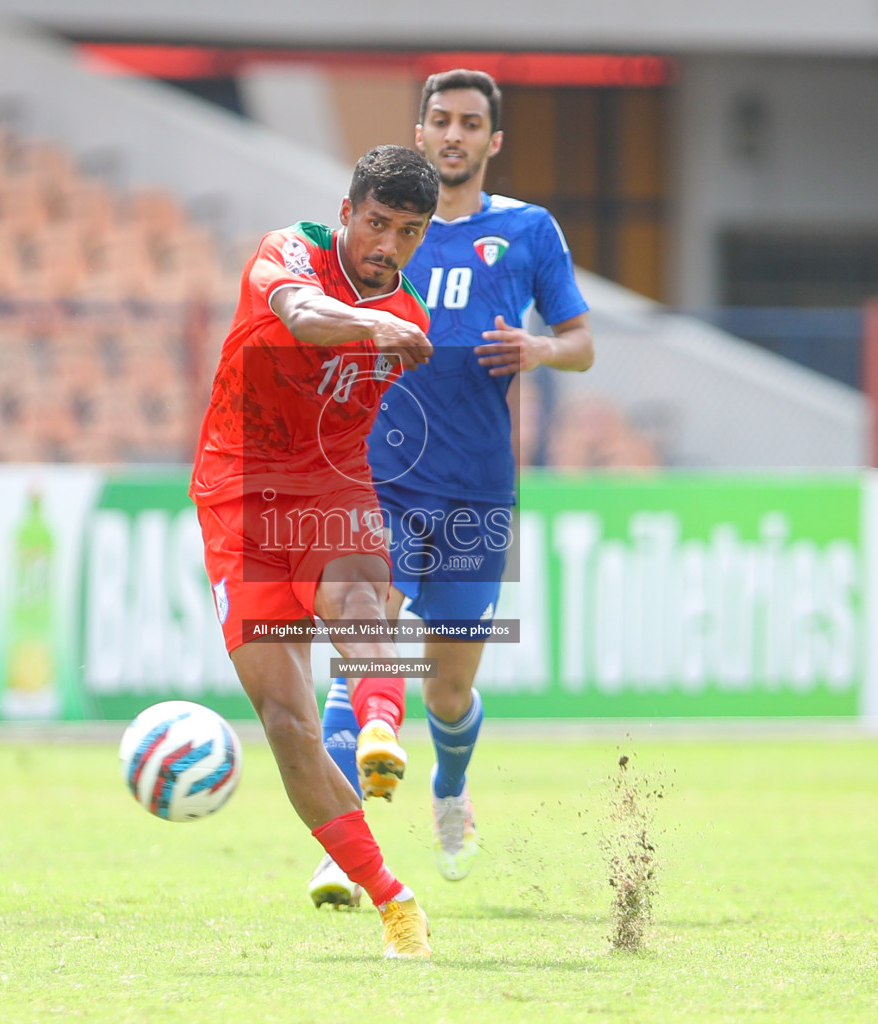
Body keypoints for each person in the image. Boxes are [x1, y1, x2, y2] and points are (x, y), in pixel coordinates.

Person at [308, 70, 595, 907]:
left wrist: (540, 350)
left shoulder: (528, 232)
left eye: (471, 122)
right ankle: (341, 851)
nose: (455, 134)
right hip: (383, 484)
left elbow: (581, 341)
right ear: (422, 130)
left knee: (449, 686)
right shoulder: (386, 231)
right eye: (440, 120)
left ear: (493, 141)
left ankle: (449, 791)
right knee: (359, 655)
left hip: (479, 490)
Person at [191, 145, 440, 958]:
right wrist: (375, 321)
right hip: (239, 492)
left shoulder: (413, 317)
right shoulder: (286, 251)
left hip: (329, 486)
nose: (387, 245)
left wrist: (386, 320)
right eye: (376, 223)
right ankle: (390, 897)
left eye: (408, 232)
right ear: (347, 212)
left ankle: (377, 723)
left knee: (362, 600)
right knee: (288, 721)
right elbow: (300, 316)